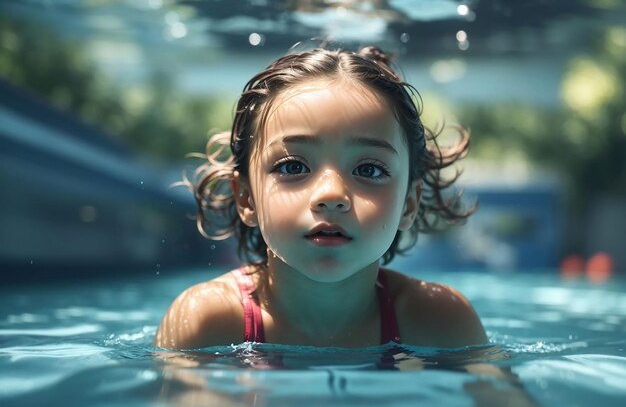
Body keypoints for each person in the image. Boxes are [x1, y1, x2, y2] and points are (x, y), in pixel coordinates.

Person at [155, 44, 488, 349]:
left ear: (409, 204)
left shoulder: (441, 321)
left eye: (369, 170)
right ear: (246, 198)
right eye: (292, 166)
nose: (331, 194)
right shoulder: (206, 322)